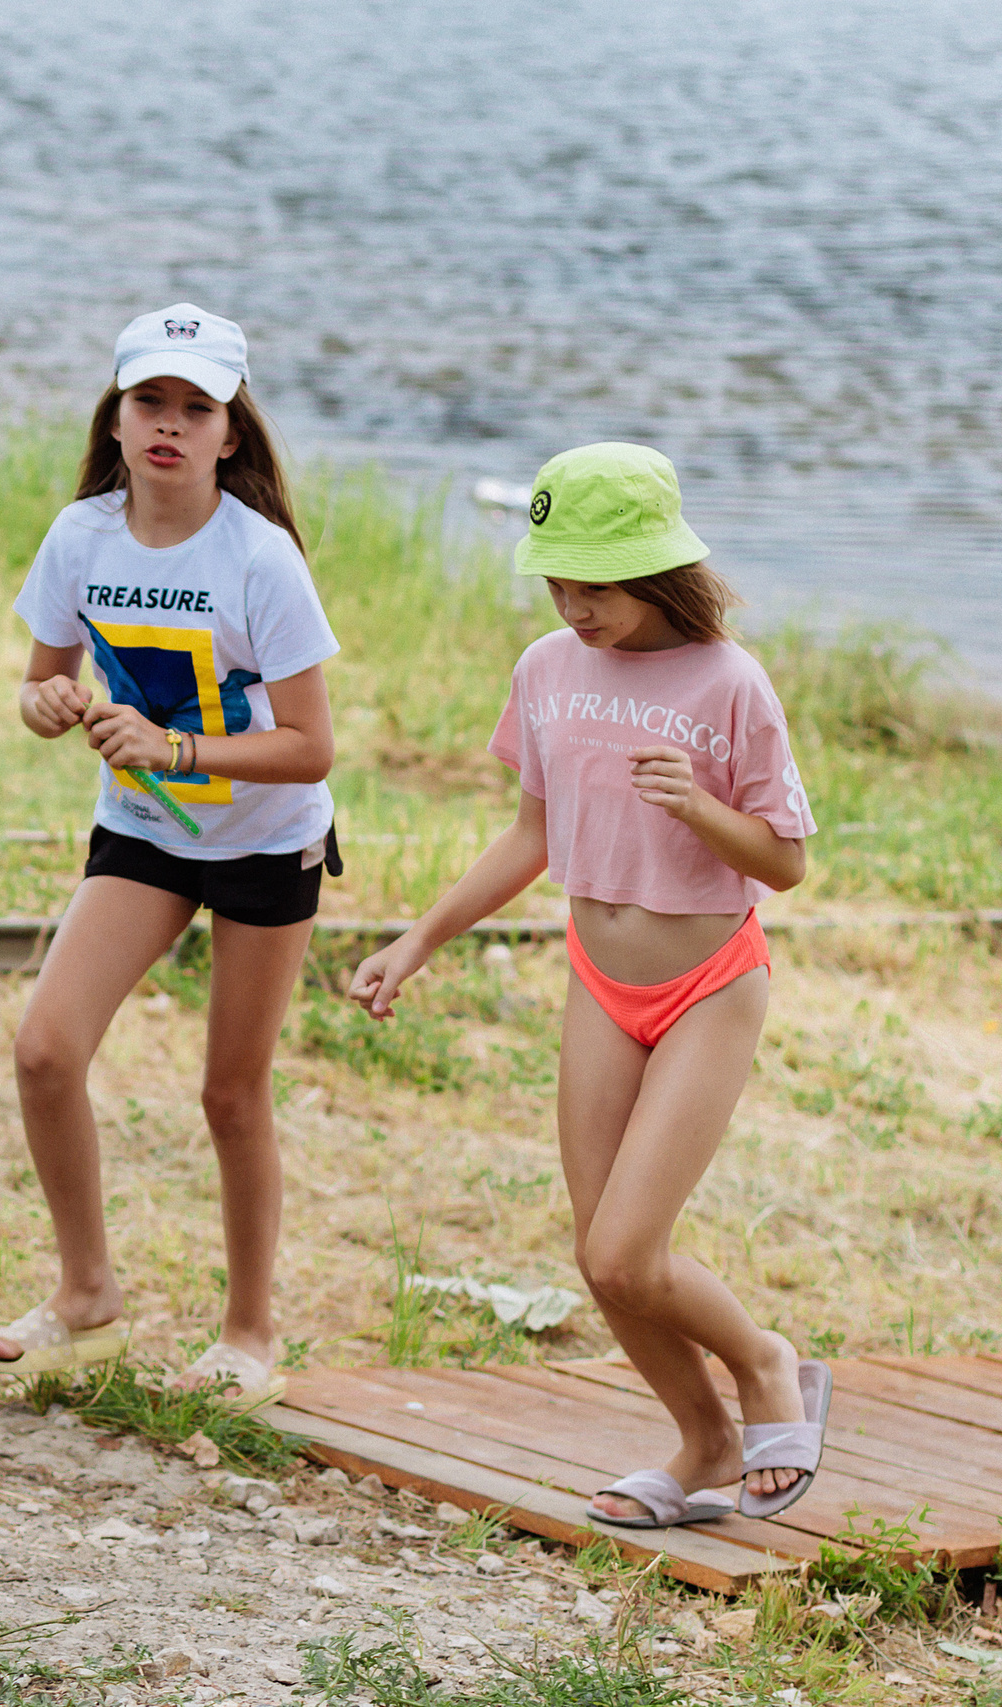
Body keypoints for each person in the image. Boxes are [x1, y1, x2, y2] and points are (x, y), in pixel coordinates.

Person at [347, 443, 826, 1529]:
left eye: (592, 585)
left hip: (709, 982)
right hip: (599, 979)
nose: (571, 605)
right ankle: (702, 1442)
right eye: (555, 581)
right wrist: (417, 938)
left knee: (626, 1246)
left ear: (655, 572)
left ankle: (762, 1366)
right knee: (599, 1258)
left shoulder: (730, 682)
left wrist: (697, 807)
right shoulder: (545, 670)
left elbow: (785, 865)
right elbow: (531, 835)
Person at [0, 305, 339, 1409]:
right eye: (151, 403)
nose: (170, 426)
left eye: (196, 408)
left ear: (230, 433)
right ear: (119, 416)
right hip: (141, 832)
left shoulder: (259, 558)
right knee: (45, 1049)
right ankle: (86, 1298)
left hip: (264, 840)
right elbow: (42, 685)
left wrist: (177, 742)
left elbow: (312, 746)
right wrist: (48, 703)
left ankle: (248, 1335)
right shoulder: (80, 536)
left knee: (229, 1095)